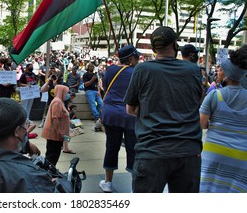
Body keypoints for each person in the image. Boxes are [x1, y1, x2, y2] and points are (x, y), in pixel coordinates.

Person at [124, 26, 203, 193]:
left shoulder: (142, 69)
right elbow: (197, 102)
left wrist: (151, 110)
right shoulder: (194, 70)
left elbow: (130, 109)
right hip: (188, 151)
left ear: (153, 49)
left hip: (151, 151)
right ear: (175, 45)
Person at [199, 44, 247, 192]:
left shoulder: (214, 95)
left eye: (221, 70)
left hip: (213, 153)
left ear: (226, 75)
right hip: (242, 156)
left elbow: (202, 123)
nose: (218, 73)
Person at [99, 45, 140, 193]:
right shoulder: (137, 72)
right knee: (133, 149)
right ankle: (136, 185)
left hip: (110, 115)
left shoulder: (110, 70)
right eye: (136, 57)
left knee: (111, 147)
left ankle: (108, 182)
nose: (138, 60)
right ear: (130, 58)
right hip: (131, 115)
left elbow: (105, 87)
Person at [41, 84, 70, 166]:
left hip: (57, 134)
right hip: (55, 134)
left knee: (53, 154)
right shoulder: (57, 102)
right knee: (52, 155)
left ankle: (50, 170)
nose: (67, 94)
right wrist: (60, 132)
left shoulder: (59, 101)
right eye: (66, 92)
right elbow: (55, 118)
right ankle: (49, 172)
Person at [82, 63, 103, 131]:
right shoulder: (85, 75)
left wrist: (99, 91)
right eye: (91, 66)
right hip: (89, 91)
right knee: (92, 104)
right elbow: (86, 84)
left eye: (93, 66)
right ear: (88, 67)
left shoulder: (95, 75)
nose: (92, 67)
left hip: (96, 91)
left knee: (101, 103)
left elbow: (97, 84)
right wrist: (92, 79)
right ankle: (97, 117)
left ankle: (95, 114)